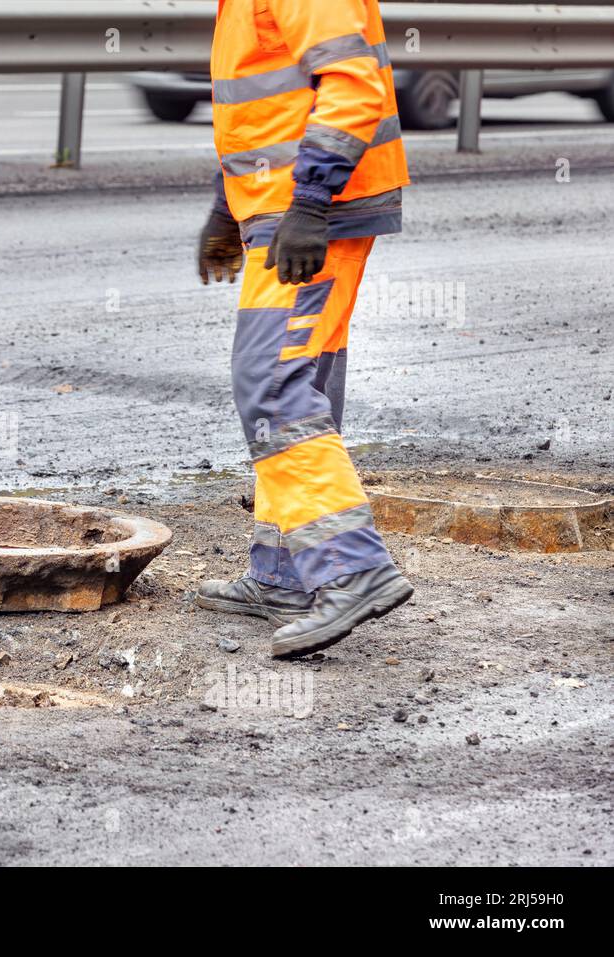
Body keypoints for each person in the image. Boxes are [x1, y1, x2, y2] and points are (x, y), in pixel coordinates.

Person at [194, 0, 414, 658]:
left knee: (272, 380)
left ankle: (352, 567)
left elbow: (352, 84)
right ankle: (283, 573)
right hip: (283, 207)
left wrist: (311, 201)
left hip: (317, 209)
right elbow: (274, 104)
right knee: (300, 376)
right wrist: (226, 210)